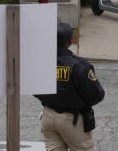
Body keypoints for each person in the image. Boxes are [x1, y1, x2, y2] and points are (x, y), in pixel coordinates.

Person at [35, 22, 105, 150]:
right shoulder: (79, 66)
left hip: (48, 116)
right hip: (72, 120)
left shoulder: (41, 62)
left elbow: (34, 89)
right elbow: (97, 94)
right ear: (69, 42)